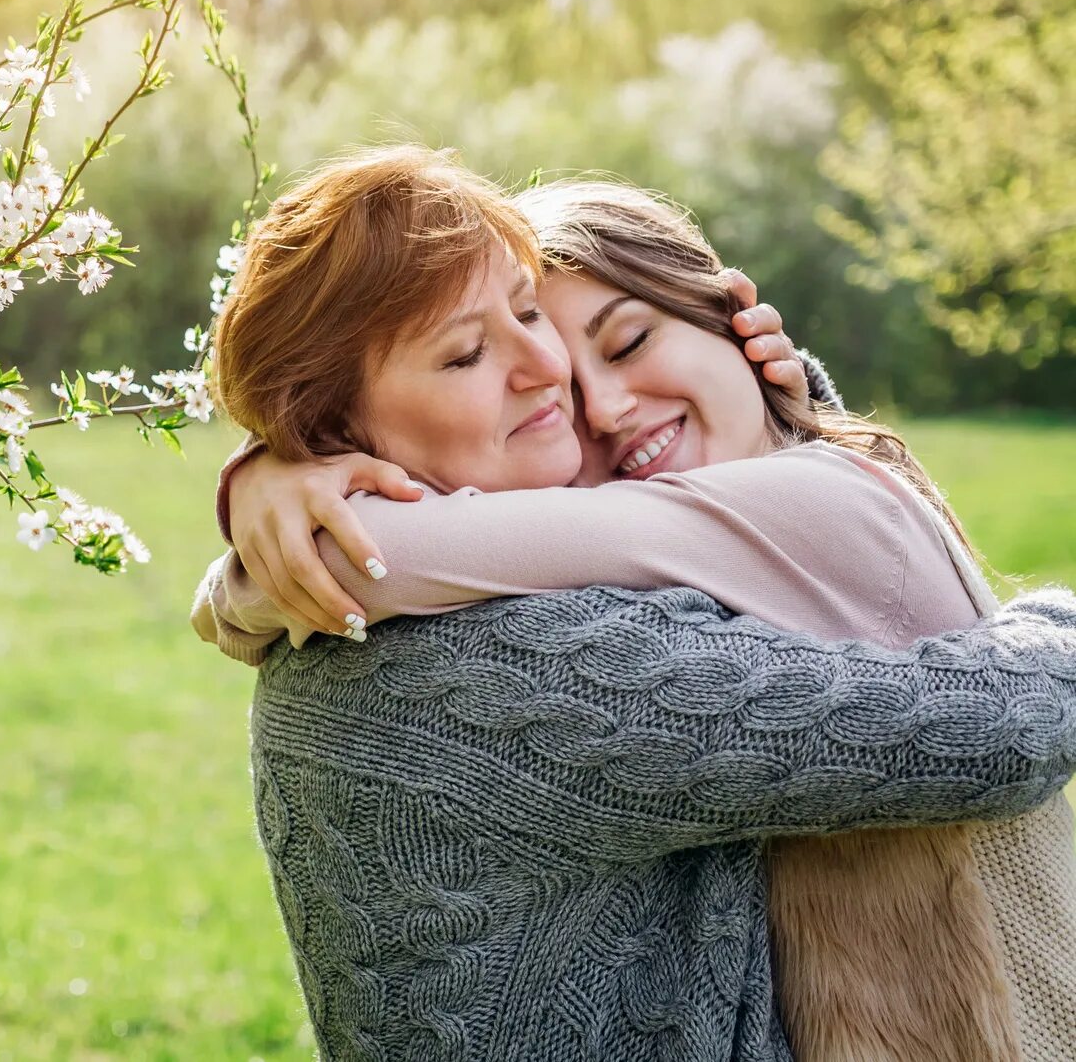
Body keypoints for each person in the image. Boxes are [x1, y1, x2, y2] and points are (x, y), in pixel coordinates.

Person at [193, 146, 1076, 1060]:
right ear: (338, 432)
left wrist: (266, 498)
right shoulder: (515, 658)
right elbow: (995, 722)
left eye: (528, 311)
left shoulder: (379, 601)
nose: (548, 369)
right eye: (465, 353)